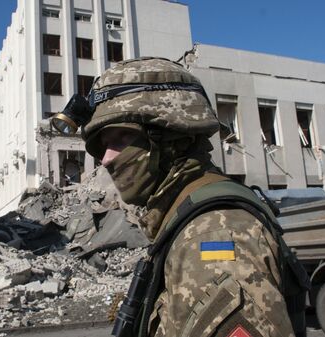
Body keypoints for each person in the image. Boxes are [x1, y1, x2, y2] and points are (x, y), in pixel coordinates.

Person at [76, 58, 308, 337]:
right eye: (103, 146)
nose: (107, 159)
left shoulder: (214, 234)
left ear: (174, 139)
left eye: (122, 138)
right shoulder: (182, 219)